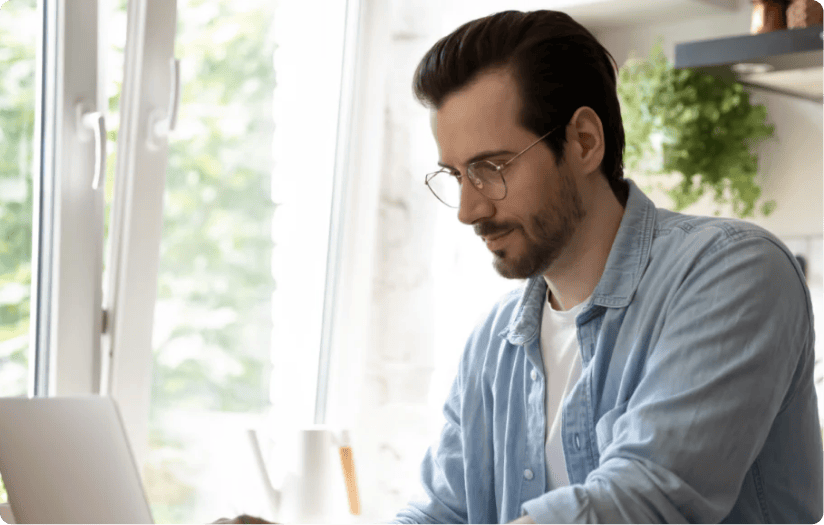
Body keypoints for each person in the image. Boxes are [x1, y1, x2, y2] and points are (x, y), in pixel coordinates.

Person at [213, 9, 822, 525]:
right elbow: (442, 514)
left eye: (492, 168)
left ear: (584, 141)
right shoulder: (495, 345)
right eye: (455, 176)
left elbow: (645, 499)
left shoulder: (734, 273)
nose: (468, 209)